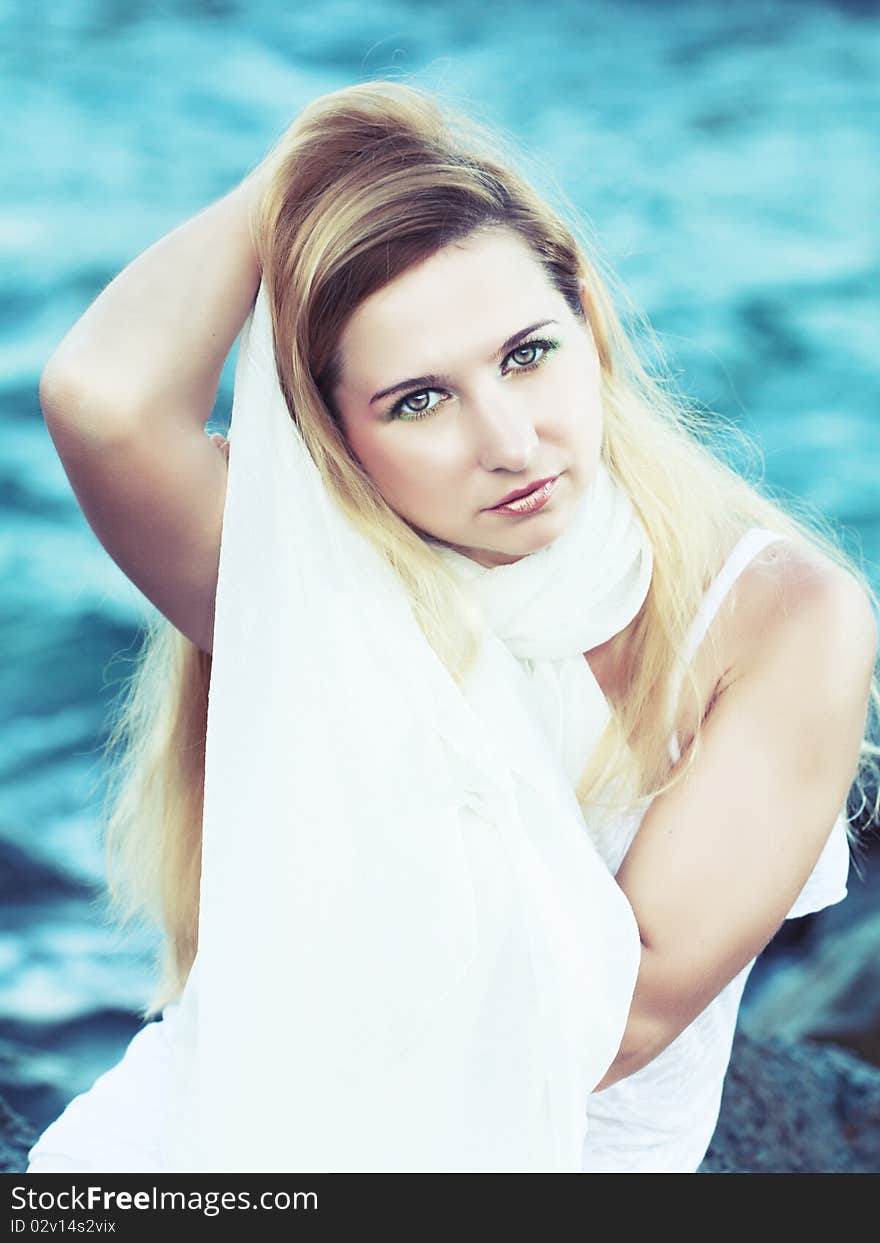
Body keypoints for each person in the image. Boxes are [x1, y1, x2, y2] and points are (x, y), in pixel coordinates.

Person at [28, 79, 879, 1173]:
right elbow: (102, 397)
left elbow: (622, 1019)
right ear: (329, 430)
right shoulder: (308, 578)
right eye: (417, 401)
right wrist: (310, 158)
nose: (511, 441)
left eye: (528, 353)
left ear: (589, 320)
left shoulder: (778, 617)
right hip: (220, 1134)